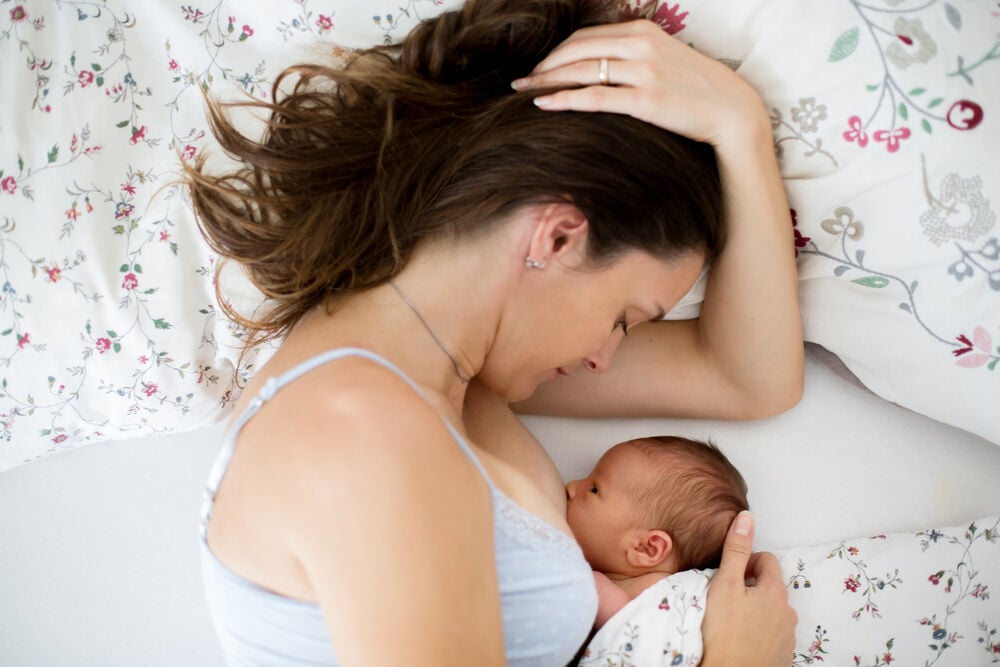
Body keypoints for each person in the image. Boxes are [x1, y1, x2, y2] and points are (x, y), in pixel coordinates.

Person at [188, 0, 802, 665]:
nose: (604, 357)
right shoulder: (363, 425)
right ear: (558, 236)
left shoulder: (448, 377)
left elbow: (749, 378)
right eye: (624, 317)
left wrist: (741, 128)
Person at [564, 435, 749, 630]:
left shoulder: (654, 592)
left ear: (646, 548)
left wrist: (592, 585)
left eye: (594, 489)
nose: (572, 487)